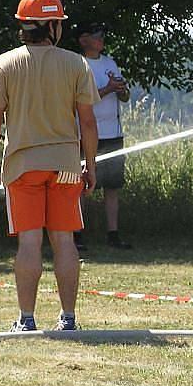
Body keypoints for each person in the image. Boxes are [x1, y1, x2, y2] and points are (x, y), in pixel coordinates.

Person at [0, 0, 100, 332]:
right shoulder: (76, 63)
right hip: (64, 166)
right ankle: (69, 318)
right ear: (51, 26)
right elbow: (87, 122)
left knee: (29, 242)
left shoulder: (6, 63)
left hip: (22, 166)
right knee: (64, 240)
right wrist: (90, 165)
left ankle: (27, 319)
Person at [75, 23, 131, 250]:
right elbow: (81, 100)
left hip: (113, 134)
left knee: (112, 186)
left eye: (102, 36)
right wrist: (108, 89)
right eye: (96, 36)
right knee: (80, 186)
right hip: (85, 134)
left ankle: (113, 234)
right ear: (83, 40)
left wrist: (121, 90)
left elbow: (125, 97)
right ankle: (76, 234)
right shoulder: (78, 65)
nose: (101, 40)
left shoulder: (110, 63)